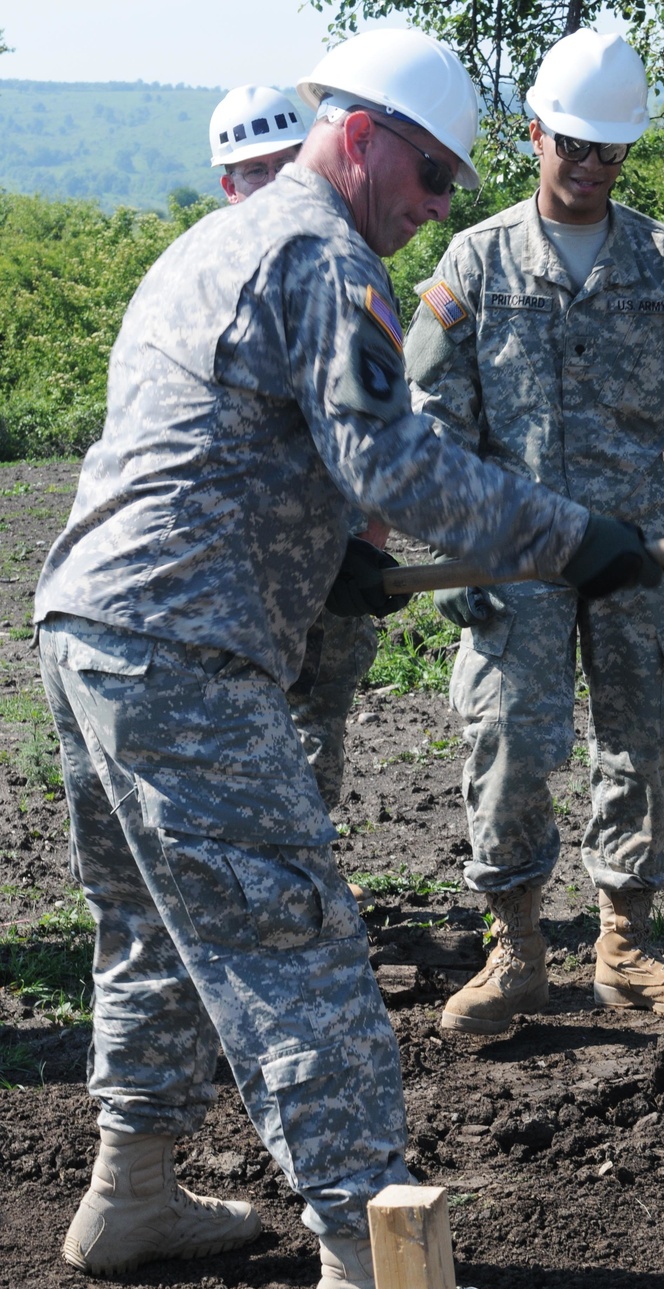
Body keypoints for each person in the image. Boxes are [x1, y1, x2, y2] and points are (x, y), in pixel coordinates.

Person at [34, 27, 661, 1289]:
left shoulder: (221, 244)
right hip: (182, 645)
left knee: (149, 926)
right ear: (364, 134)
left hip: (91, 623)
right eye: (432, 176)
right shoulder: (323, 254)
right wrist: (572, 535)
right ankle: (374, 1272)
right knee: (299, 948)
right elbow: (403, 466)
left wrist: (334, 574)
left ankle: (130, 1192)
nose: (438, 208)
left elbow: (233, 444)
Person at [405, 29, 664, 1037]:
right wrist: (448, 553)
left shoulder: (660, 261)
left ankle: (624, 946)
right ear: (535, 137)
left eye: (612, 150)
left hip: (637, 549)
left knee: (638, 739)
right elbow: (434, 425)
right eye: (576, 144)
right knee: (509, 740)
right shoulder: (473, 261)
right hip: (513, 548)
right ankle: (514, 951)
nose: (595, 164)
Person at [211, 84, 381, 904]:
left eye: (286, 163)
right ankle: (267, 899)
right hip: (234, 590)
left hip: (332, 570)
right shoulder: (207, 277)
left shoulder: (339, 265)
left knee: (316, 737)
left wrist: (371, 548)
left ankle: (303, 891)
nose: (274, 182)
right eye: (254, 171)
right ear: (226, 185)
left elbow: (386, 439)